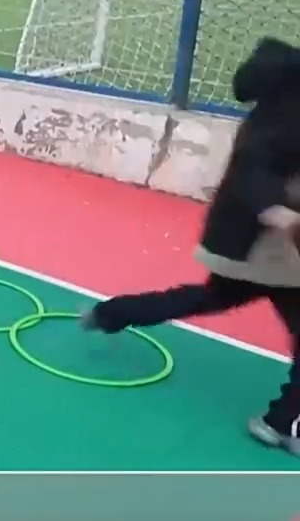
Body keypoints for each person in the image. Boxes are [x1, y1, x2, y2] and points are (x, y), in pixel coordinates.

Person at [82, 37, 300, 455]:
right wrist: (278, 211)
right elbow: (255, 168)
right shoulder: (288, 113)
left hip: (250, 243)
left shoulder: (281, 100)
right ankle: (283, 422)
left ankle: (111, 312)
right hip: (266, 247)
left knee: (211, 297)